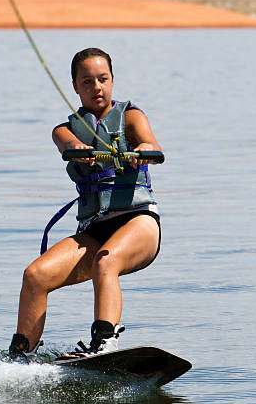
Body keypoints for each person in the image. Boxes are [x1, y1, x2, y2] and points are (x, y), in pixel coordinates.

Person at [9, 47, 163, 362]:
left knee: (107, 261)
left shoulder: (132, 117)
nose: (97, 87)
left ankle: (104, 342)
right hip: (94, 229)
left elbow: (152, 145)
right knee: (35, 276)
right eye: (88, 81)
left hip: (139, 222)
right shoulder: (64, 129)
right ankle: (20, 358)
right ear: (75, 87)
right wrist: (80, 148)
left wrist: (139, 152)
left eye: (103, 79)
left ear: (112, 81)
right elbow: (67, 143)